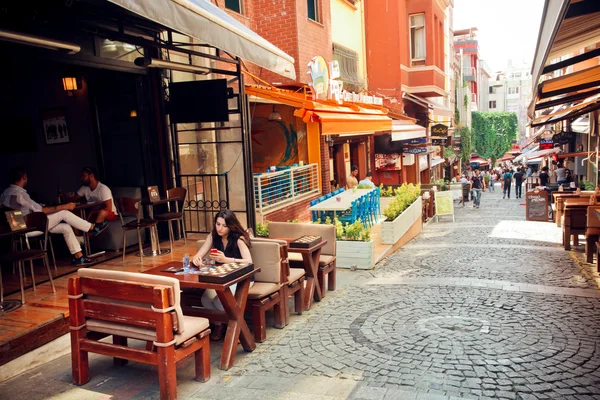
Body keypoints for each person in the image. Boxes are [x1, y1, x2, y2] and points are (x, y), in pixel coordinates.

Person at [0, 168, 100, 265]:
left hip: (13, 230)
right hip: (26, 229)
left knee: (65, 227)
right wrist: (65, 206)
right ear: (24, 177)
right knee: (64, 213)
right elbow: (41, 210)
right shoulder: (20, 194)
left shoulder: (4, 194)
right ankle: (92, 227)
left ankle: (79, 257)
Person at [192, 210, 253, 340]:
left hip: (241, 277)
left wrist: (226, 260)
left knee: (220, 300)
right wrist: (196, 259)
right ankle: (219, 324)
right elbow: (200, 253)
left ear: (231, 226)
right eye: (218, 224)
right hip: (222, 278)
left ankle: (236, 329)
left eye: (224, 226)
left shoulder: (238, 239)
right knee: (206, 299)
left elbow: (249, 261)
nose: (220, 228)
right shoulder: (213, 235)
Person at [71, 167, 116, 235]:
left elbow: (109, 208)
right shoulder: (84, 188)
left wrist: (93, 212)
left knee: (102, 213)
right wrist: (67, 196)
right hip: (93, 214)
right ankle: (79, 238)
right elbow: (74, 198)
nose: (81, 178)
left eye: (84, 176)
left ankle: (93, 234)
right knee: (73, 215)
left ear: (91, 176)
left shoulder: (103, 189)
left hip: (110, 214)